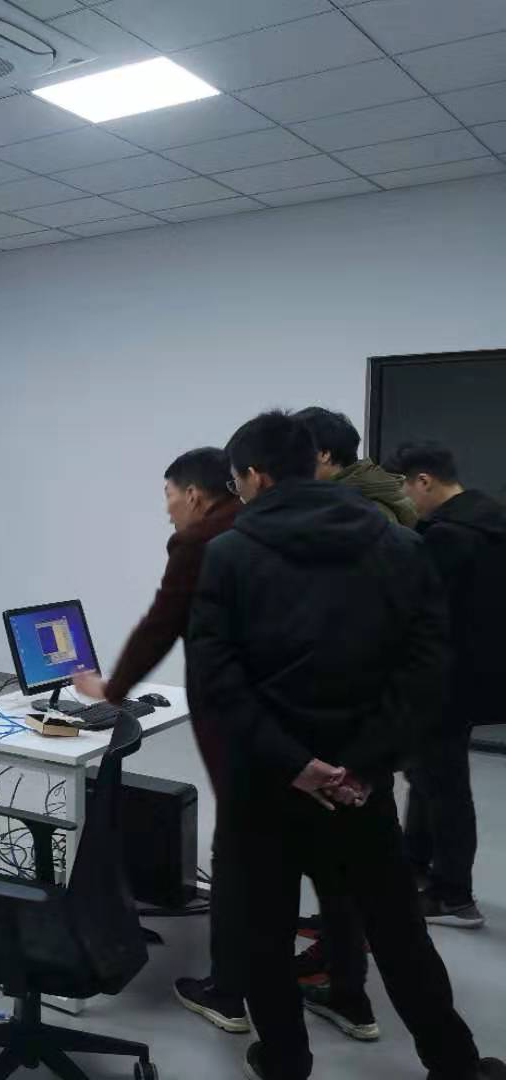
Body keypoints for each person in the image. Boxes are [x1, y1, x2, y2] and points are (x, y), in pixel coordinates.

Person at [188, 411, 502, 1080]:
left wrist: (295, 764)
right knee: (398, 931)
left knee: (264, 932)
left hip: (263, 785)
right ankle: (454, 1063)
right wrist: (363, 763)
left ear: (255, 477)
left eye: (236, 482)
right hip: (361, 787)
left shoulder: (229, 554)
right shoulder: (401, 544)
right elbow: (427, 669)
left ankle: (284, 1060)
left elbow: (217, 681)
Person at [72, 448, 247, 1033]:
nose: (167, 509)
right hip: (312, 727)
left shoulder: (201, 543)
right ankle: (346, 991)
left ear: (194, 495)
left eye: (169, 497)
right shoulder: (270, 528)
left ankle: (230, 991)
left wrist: (111, 689)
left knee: (241, 855)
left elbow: (160, 625)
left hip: (241, 722)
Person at [288, 405, 415, 1026]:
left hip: (340, 724)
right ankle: (346, 965)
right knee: (354, 863)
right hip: (372, 721)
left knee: (339, 859)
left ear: (322, 457)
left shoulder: (351, 519)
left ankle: (343, 986)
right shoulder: (384, 506)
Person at [386, 441, 506, 929]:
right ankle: (415, 865)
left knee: (444, 784)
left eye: (404, 490)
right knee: (428, 775)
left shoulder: (448, 537)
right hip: (478, 675)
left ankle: (454, 895)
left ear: (424, 481)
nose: (405, 502)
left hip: (442, 679)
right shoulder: (492, 521)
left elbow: (419, 615)